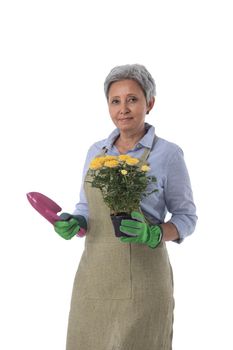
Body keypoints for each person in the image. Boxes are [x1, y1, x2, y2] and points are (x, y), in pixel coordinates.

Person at [54, 64, 197, 350]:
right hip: (94, 280)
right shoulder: (96, 152)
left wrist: (154, 233)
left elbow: (187, 217)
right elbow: (86, 206)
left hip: (145, 283)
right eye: (115, 101)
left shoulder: (167, 154)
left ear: (150, 103)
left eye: (132, 99)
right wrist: (77, 222)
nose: (124, 108)